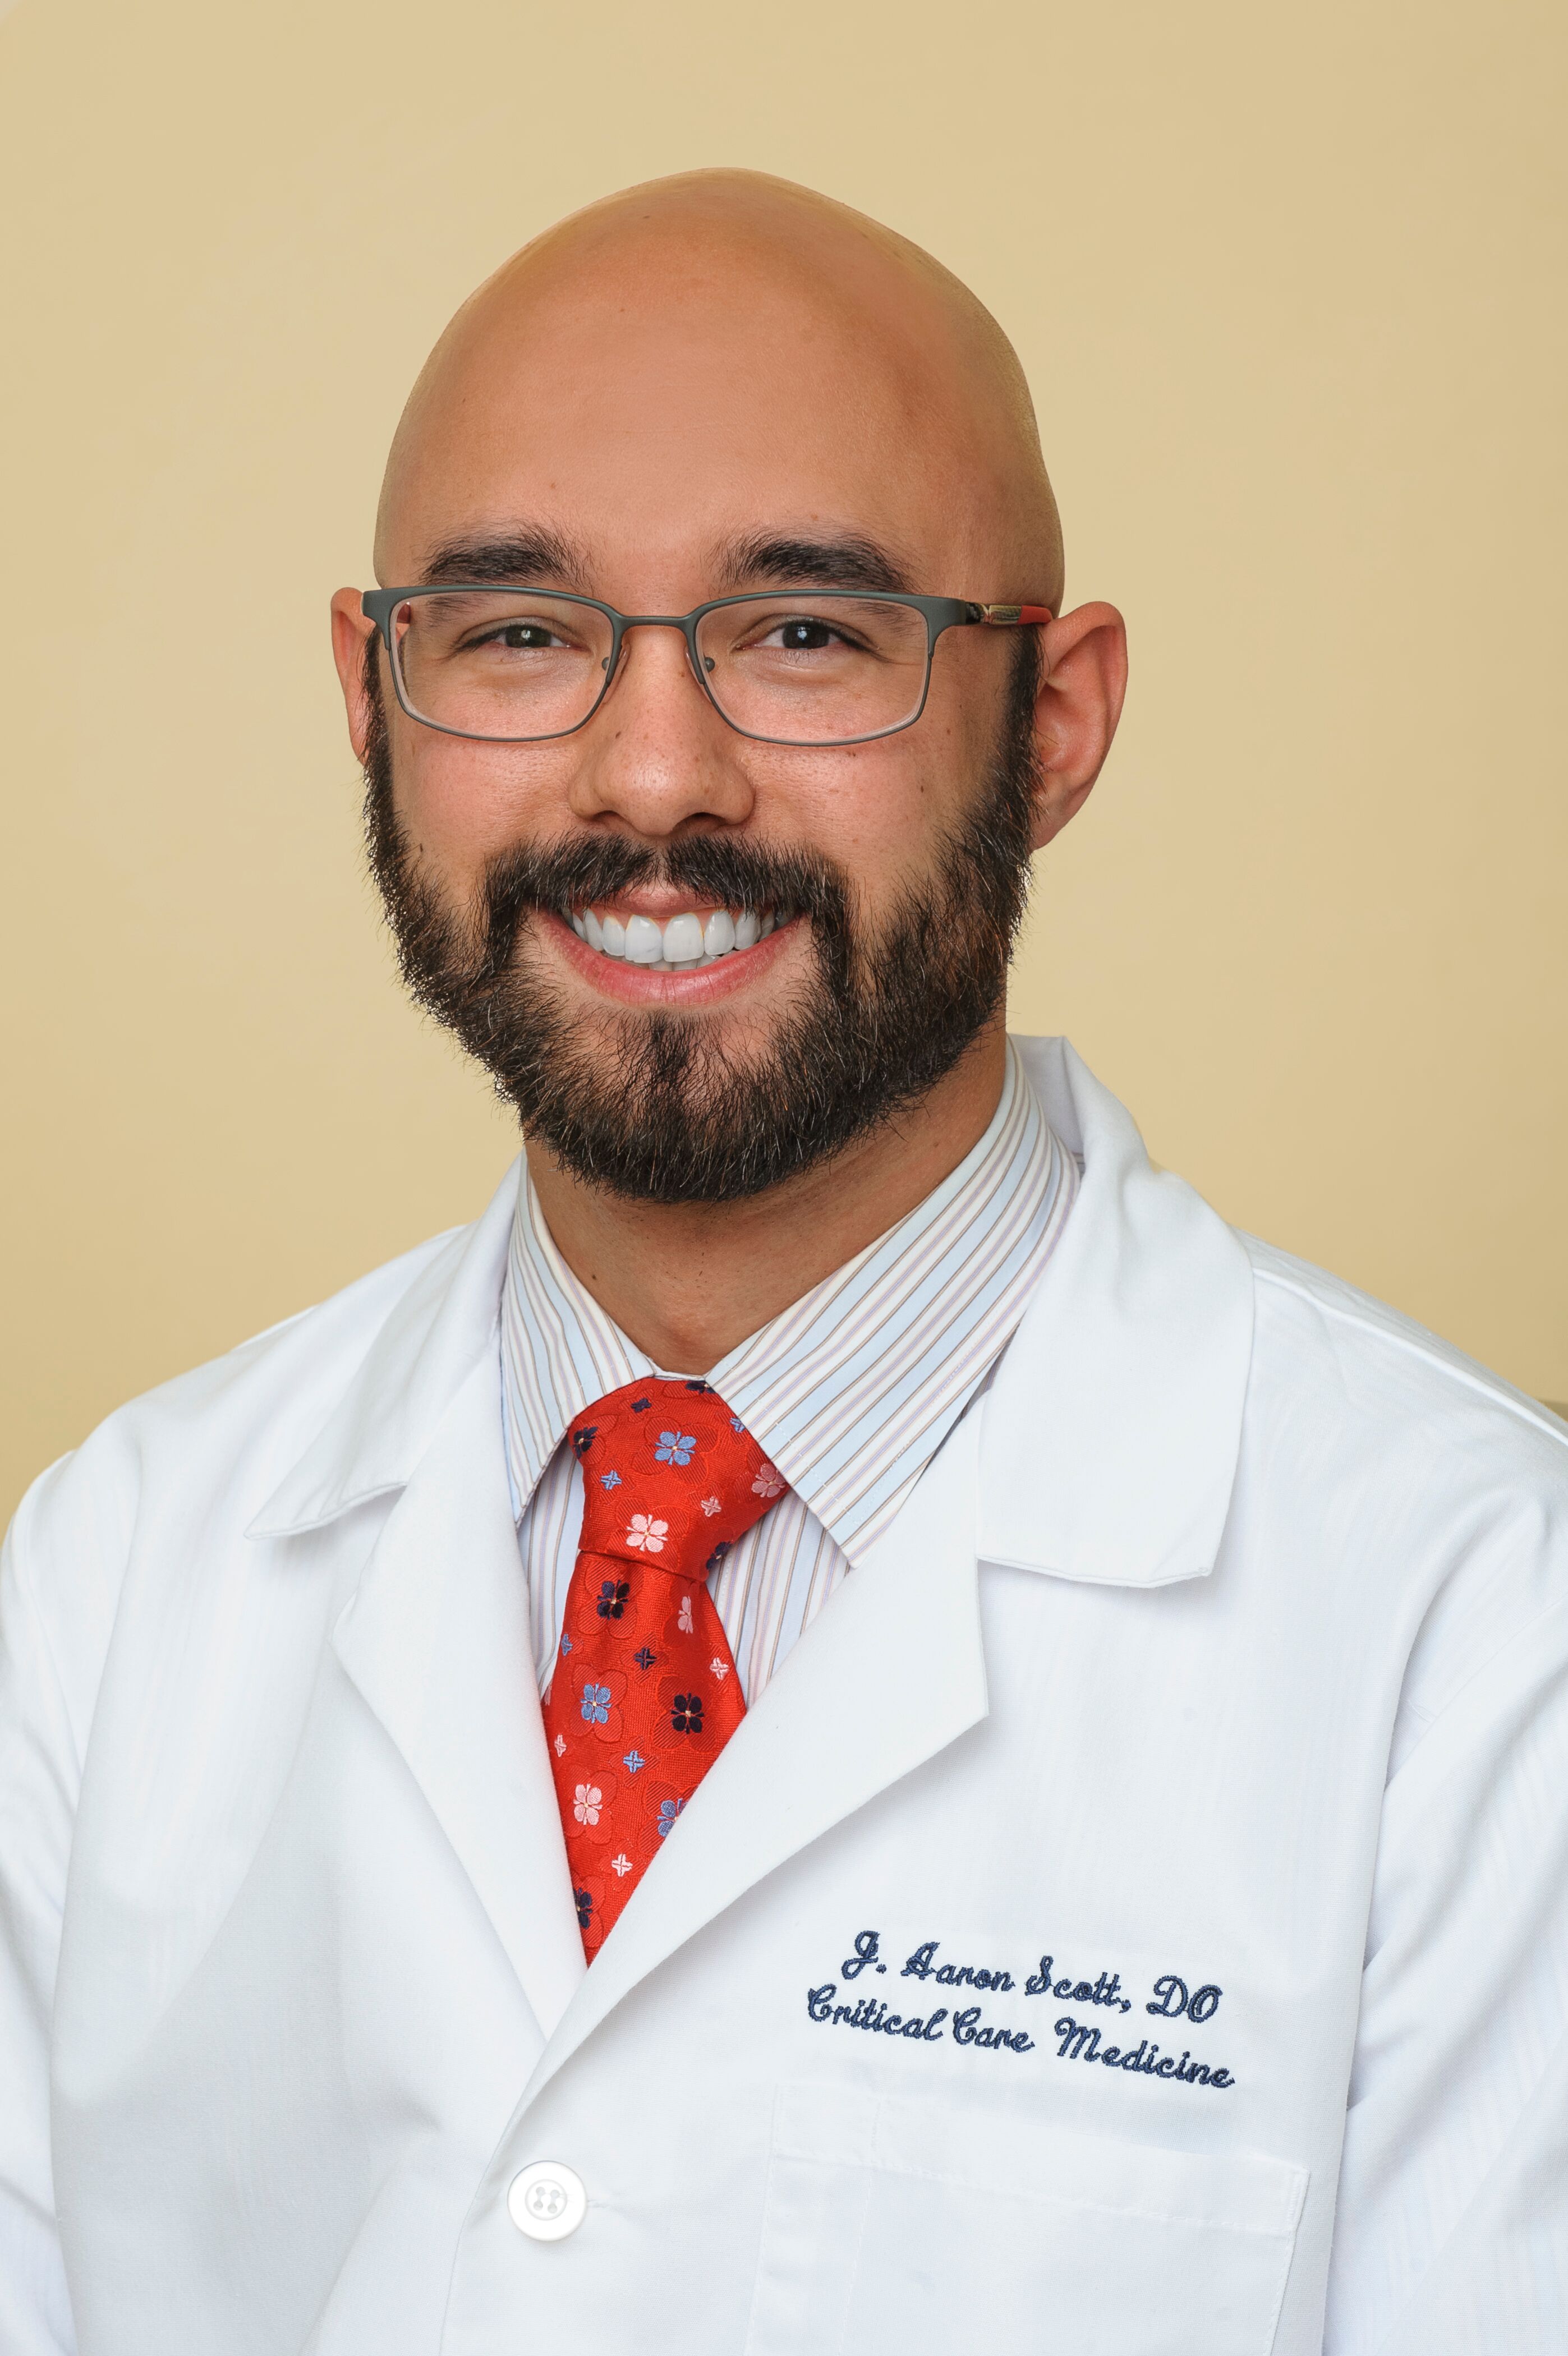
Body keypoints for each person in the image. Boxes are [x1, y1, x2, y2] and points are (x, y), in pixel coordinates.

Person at [1, 169, 1563, 2356]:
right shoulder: (115, 1579)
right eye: (520, 632)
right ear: (374, 695)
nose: (654, 779)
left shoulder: (1481, 1625)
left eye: (807, 635)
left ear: (1056, 722)